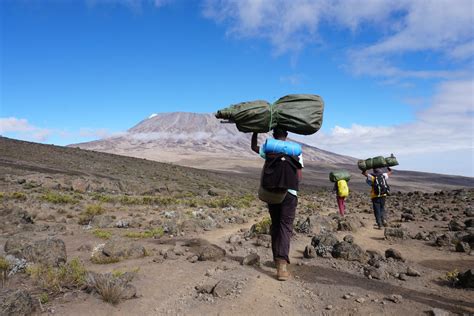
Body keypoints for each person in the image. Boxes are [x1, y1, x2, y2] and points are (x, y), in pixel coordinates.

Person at [251, 128, 303, 281]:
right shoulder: (296, 151)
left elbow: (254, 148)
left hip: (272, 192)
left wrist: (255, 132)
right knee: (285, 226)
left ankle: (277, 259)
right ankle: (281, 265)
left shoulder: (269, 148)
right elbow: (299, 175)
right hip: (290, 194)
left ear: (273, 136)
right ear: (286, 135)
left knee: (275, 224)